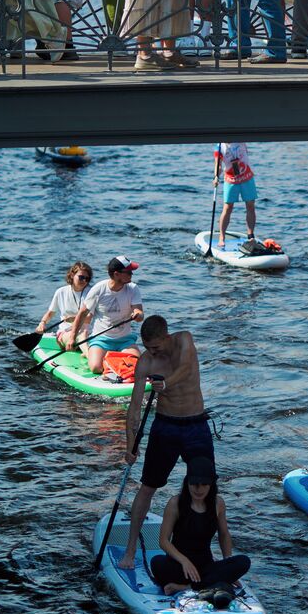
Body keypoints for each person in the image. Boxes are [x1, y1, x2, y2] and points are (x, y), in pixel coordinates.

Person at [119, 314, 213, 571]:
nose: (152, 352)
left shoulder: (184, 340)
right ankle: (130, 550)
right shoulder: (146, 362)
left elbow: (186, 369)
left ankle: (203, 552)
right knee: (148, 486)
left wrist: (164, 384)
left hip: (196, 426)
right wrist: (130, 445)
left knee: (206, 490)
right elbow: (135, 408)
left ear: (166, 336)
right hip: (166, 427)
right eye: (147, 348)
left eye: (156, 346)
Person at [148, 457, 251, 596]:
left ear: (211, 485)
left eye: (204, 484)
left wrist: (228, 562)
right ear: (187, 483)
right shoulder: (175, 503)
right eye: (194, 484)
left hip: (205, 567)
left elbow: (224, 534)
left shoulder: (218, 503)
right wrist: (184, 561)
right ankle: (209, 584)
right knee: (156, 562)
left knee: (243, 562)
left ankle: (186, 587)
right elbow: (164, 541)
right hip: (179, 567)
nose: (199, 489)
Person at [69, 255, 145, 376]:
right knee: (95, 368)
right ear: (116, 274)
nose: (132, 274)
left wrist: (137, 314)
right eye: (129, 272)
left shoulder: (133, 288)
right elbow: (82, 313)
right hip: (101, 340)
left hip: (124, 340)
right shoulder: (99, 289)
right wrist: (72, 338)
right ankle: (111, 362)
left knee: (137, 366)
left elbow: (140, 314)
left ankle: (112, 363)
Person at [35, 261, 94, 348]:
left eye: (87, 279)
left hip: (89, 333)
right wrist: (42, 323)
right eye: (81, 277)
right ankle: (90, 357)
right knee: (81, 336)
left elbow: (89, 318)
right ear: (72, 275)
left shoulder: (92, 292)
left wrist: (74, 319)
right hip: (66, 333)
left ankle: (89, 354)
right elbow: (50, 313)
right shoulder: (60, 292)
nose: (84, 281)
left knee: (84, 334)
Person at [213, 141, 258, 244]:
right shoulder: (219, 147)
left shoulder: (240, 140)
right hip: (231, 179)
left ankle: (250, 235)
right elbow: (218, 166)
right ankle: (222, 237)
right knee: (228, 207)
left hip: (246, 177)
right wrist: (216, 177)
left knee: (250, 205)